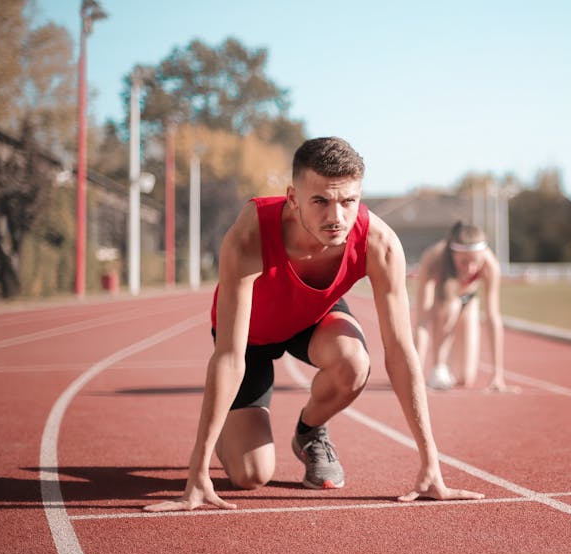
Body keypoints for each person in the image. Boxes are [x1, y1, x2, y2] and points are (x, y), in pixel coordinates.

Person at [145, 137, 483, 512]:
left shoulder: (380, 243)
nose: (336, 217)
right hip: (251, 336)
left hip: (312, 319)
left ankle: (309, 432)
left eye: (348, 201)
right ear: (293, 198)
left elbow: (401, 353)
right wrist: (197, 471)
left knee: (355, 362)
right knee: (250, 475)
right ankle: (228, 421)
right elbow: (229, 356)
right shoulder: (250, 233)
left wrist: (431, 464)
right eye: (320, 201)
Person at [413, 222, 507, 391]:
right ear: (453, 254)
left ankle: (450, 365)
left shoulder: (490, 265)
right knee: (451, 308)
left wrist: (497, 374)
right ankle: (439, 366)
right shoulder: (434, 259)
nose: (470, 269)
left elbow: (493, 317)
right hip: (441, 302)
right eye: (464, 262)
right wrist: (414, 373)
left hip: (469, 300)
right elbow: (422, 321)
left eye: (475, 262)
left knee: (465, 378)